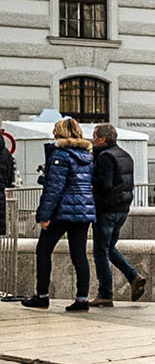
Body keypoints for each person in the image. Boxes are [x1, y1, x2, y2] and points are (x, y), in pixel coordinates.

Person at [25, 117, 95, 312]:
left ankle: (42, 296)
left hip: (62, 211)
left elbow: (55, 189)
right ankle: (82, 299)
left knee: (44, 250)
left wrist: (43, 215)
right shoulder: (87, 156)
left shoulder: (60, 155)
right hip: (83, 211)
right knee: (79, 255)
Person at [89, 124, 146, 307]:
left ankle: (105, 293)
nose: (92, 139)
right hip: (122, 209)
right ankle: (133, 276)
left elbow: (105, 183)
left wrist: (89, 179)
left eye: (94, 136)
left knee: (100, 252)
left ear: (102, 139)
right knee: (109, 248)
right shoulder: (125, 155)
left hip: (107, 209)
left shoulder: (105, 156)